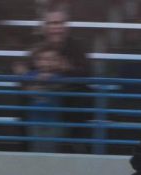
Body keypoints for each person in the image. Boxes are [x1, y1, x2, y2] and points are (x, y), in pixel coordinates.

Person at [14, 5, 91, 153]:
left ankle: (78, 147)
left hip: (69, 102)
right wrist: (34, 80)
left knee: (84, 97)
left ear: (66, 26)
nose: (57, 28)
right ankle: (24, 150)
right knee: (22, 99)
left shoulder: (77, 48)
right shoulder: (38, 48)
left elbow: (88, 75)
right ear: (44, 27)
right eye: (52, 23)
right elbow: (23, 72)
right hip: (42, 102)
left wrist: (67, 70)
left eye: (60, 23)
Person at [22, 43, 65, 152]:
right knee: (36, 148)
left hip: (53, 121)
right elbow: (25, 86)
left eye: (52, 59)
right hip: (34, 120)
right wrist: (38, 80)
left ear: (57, 62)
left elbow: (60, 85)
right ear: (36, 62)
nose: (47, 63)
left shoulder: (59, 76)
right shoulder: (31, 75)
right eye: (43, 59)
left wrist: (50, 79)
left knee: (51, 149)